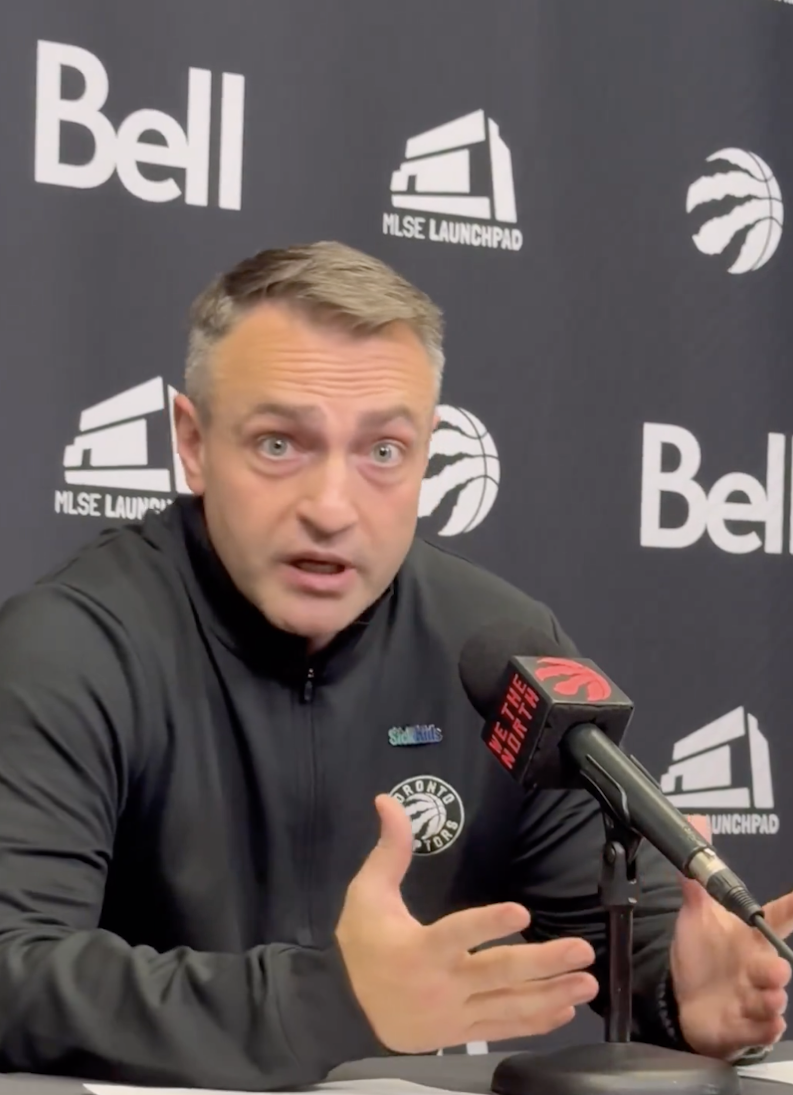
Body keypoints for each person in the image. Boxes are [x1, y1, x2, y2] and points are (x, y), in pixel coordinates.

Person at [0, 242, 789, 1089]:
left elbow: (627, 935)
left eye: (382, 451)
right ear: (192, 442)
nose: (331, 508)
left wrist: (687, 993)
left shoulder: (497, 649)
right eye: (278, 443)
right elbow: (14, 966)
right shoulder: (70, 645)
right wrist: (329, 1003)